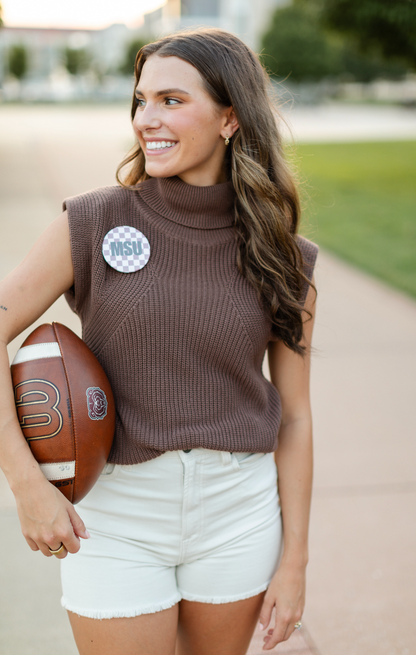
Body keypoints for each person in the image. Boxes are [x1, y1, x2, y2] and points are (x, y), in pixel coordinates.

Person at [0, 28, 318, 655]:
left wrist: (295, 563)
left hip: (238, 509)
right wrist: (27, 486)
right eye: (141, 101)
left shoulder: (282, 253)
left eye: (172, 101)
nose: (148, 119)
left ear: (231, 117)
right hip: (115, 511)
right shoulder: (92, 222)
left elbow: (298, 416)